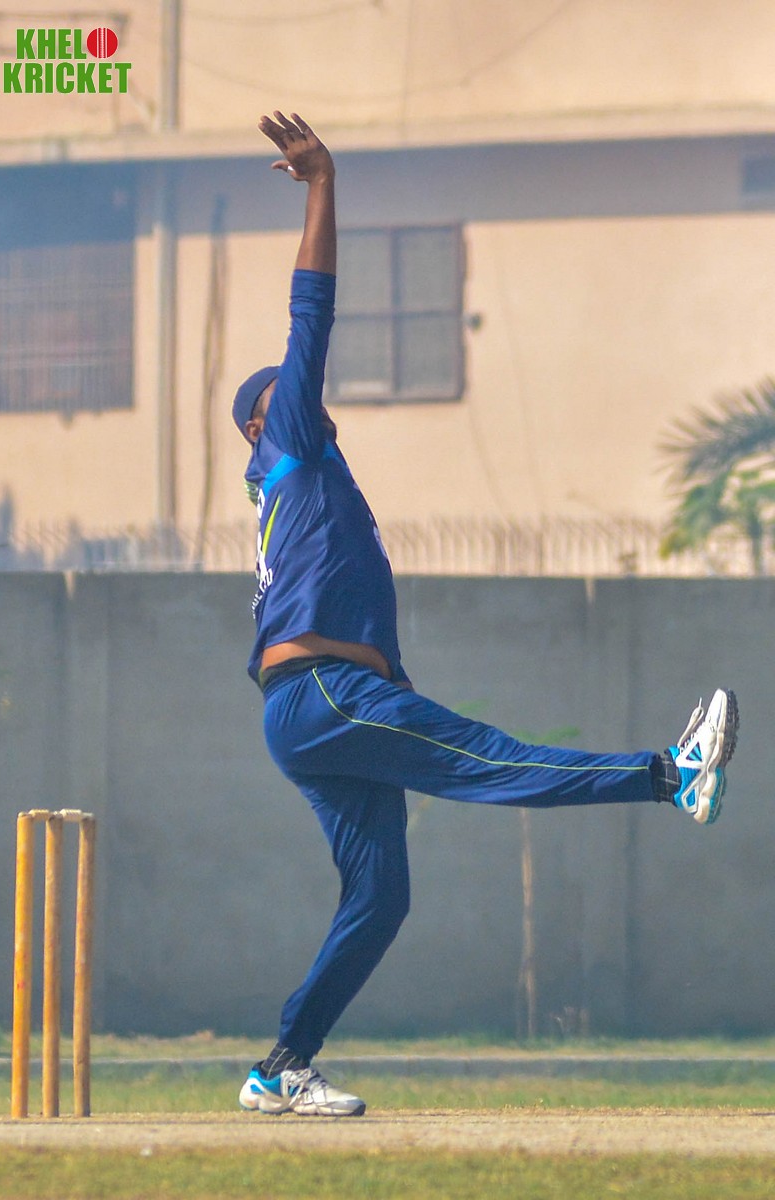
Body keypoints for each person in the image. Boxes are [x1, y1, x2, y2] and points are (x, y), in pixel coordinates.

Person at [231, 111, 739, 1118]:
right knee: (491, 759)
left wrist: (392, 682)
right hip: (325, 695)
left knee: (381, 899)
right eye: (288, 393)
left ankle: (279, 1067)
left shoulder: (314, 486)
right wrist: (324, 183)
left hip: (317, 705)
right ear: (262, 419)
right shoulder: (287, 443)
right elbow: (309, 317)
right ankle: (668, 776)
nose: (309, 392)